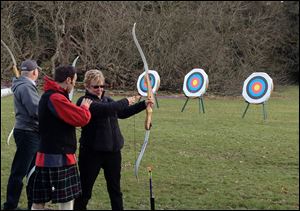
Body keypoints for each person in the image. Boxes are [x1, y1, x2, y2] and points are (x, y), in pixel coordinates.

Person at [73, 69, 154, 210]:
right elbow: (107, 109)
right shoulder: (85, 101)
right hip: (92, 153)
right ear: (86, 86)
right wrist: (127, 100)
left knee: (115, 190)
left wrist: (143, 104)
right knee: (85, 191)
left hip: (113, 152)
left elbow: (121, 112)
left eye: (102, 86)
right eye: (95, 86)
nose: (100, 89)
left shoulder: (106, 99)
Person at [31, 65, 92, 210]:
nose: (74, 85)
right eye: (74, 81)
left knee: (42, 200)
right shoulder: (55, 98)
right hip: (57, 156)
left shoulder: (52, 95)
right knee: (63, 199)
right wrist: (84, 108)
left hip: (50, 154)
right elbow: (81, 118)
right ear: (68, 80)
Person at [3, 59, 41, 210]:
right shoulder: (25, 86)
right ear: (34, 72)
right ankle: (10, 206)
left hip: (30, 132)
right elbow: (35, 110)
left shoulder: (23, 85)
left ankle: (33, 205)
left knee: (32, 172)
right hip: (28, 133)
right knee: (19, 171)